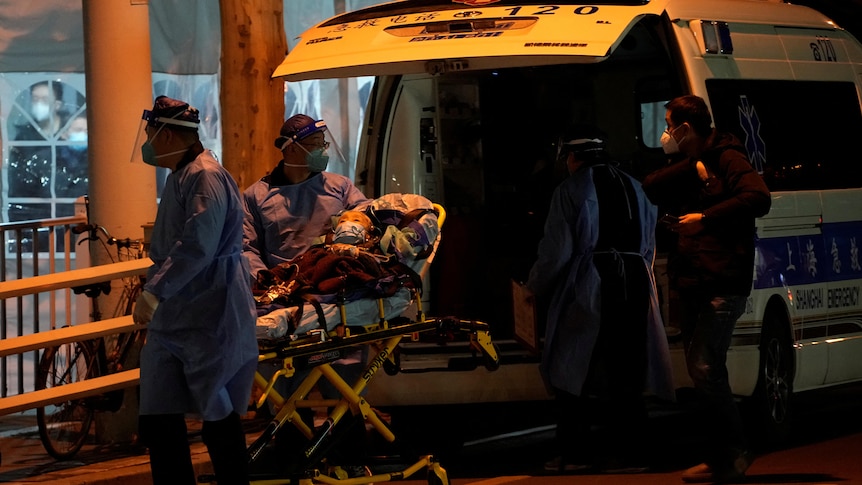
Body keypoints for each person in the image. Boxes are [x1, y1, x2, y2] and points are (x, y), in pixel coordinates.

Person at [525, 125, 673, 474]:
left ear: (572, 158)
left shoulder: (571, 189)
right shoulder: (637, 187)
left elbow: (557, 249)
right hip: (637, 281)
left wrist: (534, 286)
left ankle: (576, 453)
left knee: (573, 369)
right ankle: (633, 454)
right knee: (627, 370)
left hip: (591, 283)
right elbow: (649, 244)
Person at [641, 95, 771, 483]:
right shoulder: (692, 163)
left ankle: (735, 451)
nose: (665, 132)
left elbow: (757, 197)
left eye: (669, 123)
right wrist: (693, 169)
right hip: (696, 277)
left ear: (685, 127)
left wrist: (706, 218)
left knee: (704, 365)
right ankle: (721, 456)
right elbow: (651, 186)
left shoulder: (729, 157)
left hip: (723, 278)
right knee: (703, 371)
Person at [132, 95, 258, 485]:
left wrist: (156, 290)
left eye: (152, 132)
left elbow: (197, 245)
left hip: (209, 308)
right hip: (181, 312)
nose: (148, 141)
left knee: (218, 419)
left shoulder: (205, 176)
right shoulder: (183, 175)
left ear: (167, 133)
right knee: (159, 415)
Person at [242, 114, 371, 471]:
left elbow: (364, 217)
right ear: (291, 148)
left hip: (336, 297)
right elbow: (245, 247)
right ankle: (292, 460)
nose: (321, 152)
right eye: (314, 147)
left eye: (322, 146)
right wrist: (267, 280)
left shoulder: (340, 188)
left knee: (342, 388)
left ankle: (350, 460)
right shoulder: (257, 197)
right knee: (287, 389)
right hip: (284, 300)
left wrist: (352, 231)